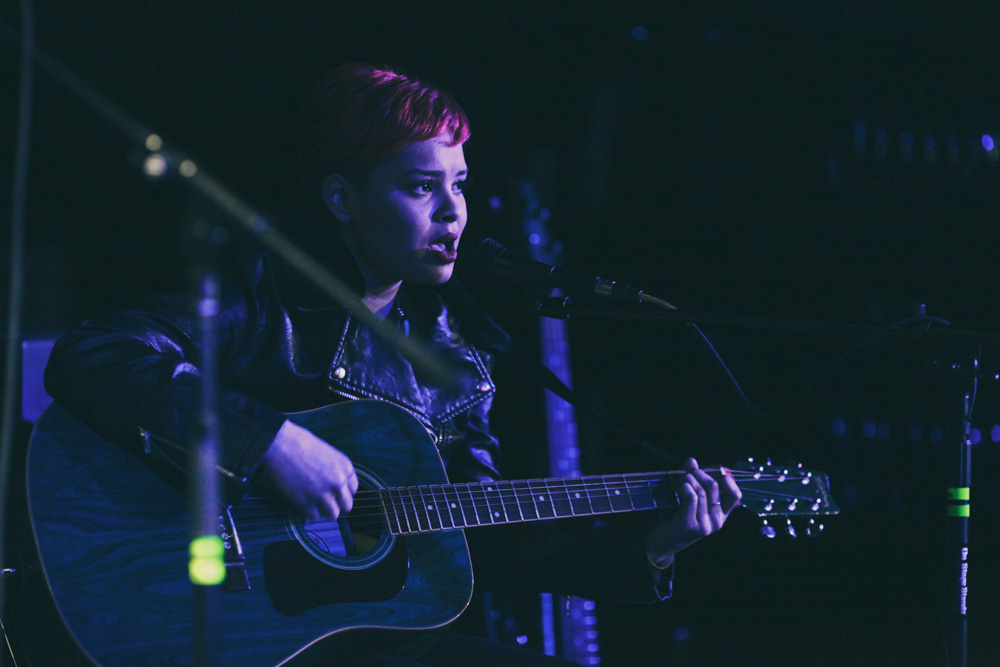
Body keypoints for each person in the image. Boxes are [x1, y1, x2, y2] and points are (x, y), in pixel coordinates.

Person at [44, 63, 741, 665]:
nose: (453, 214)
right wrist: (273, 440)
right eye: (420, 187)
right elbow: (94, 355)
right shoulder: (259, 292)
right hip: (213, 616)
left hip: (340, 633)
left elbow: (483, 542)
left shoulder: (454, 366)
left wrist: (651, 545)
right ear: (343, 197)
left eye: (459, 185)